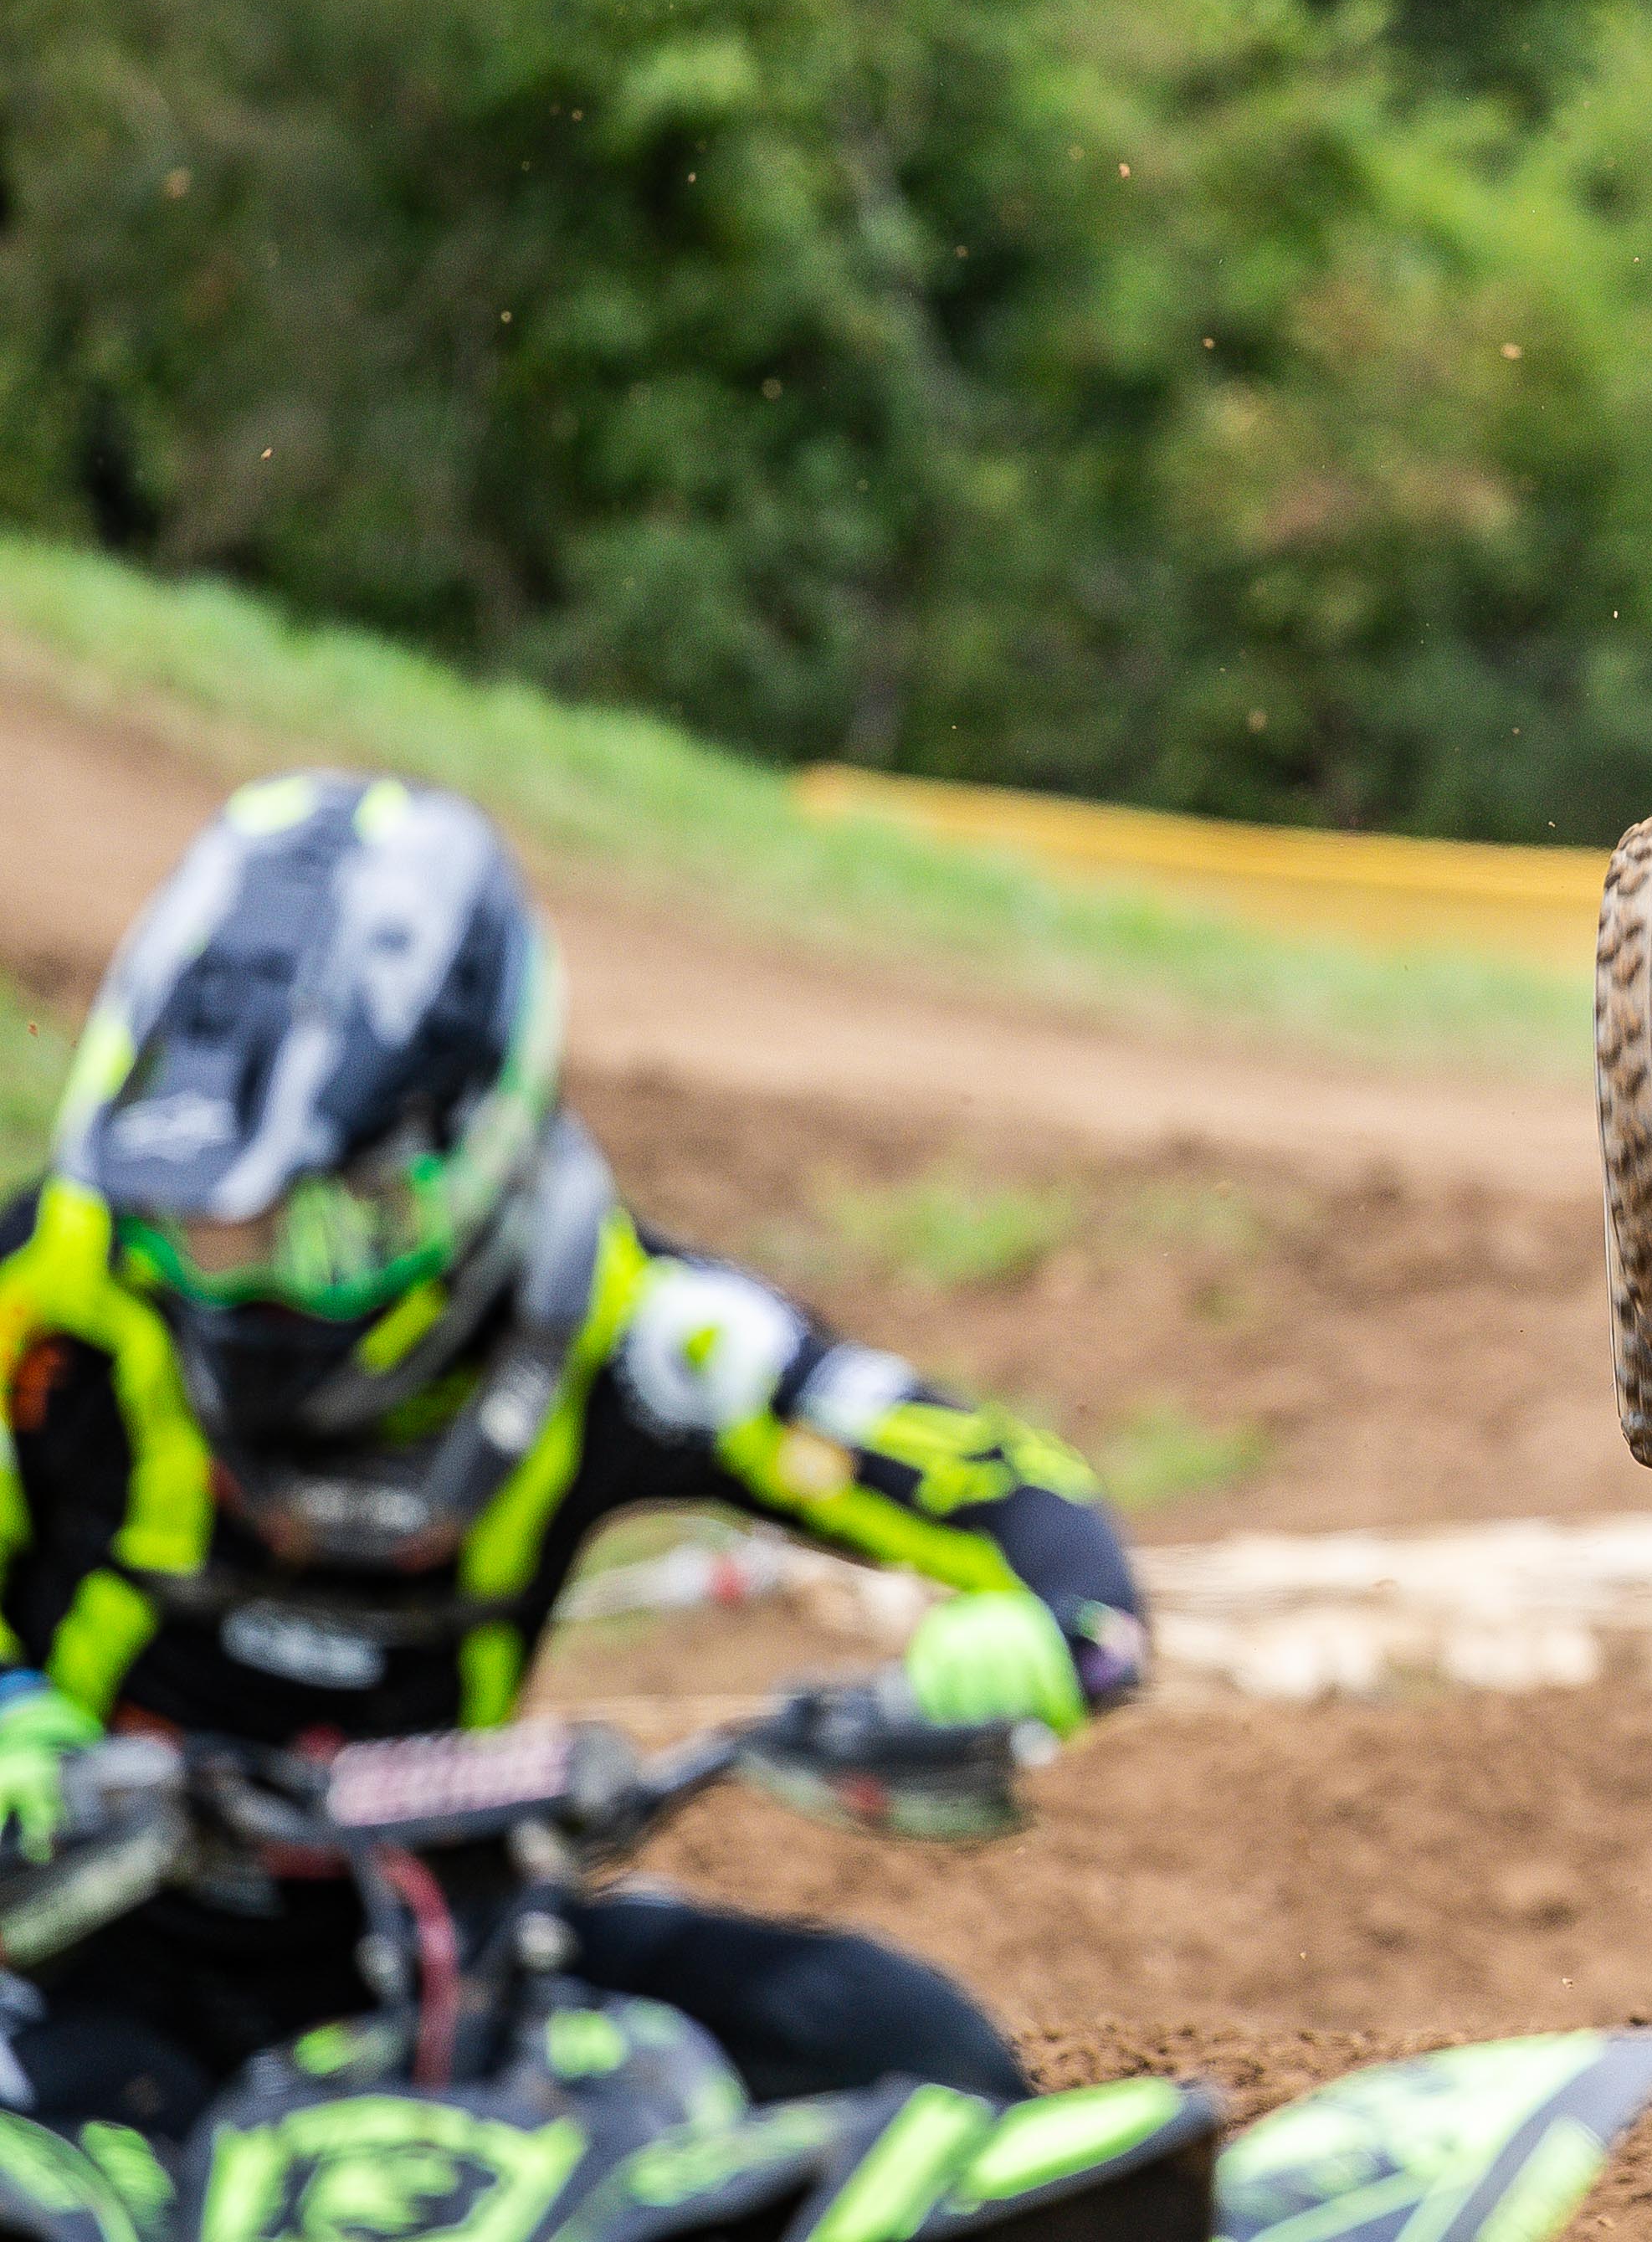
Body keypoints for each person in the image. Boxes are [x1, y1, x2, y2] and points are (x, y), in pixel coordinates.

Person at [0, 772, 1147, 2142]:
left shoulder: (635, 1327)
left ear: (476, 1142)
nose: (242, 1283)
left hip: (429, 1955)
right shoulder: (58, 1273)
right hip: (53, 1947)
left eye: (328, 1225)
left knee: (906, 2045)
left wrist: (1048, 1633)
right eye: (203, 1226)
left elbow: (1003, 1486)